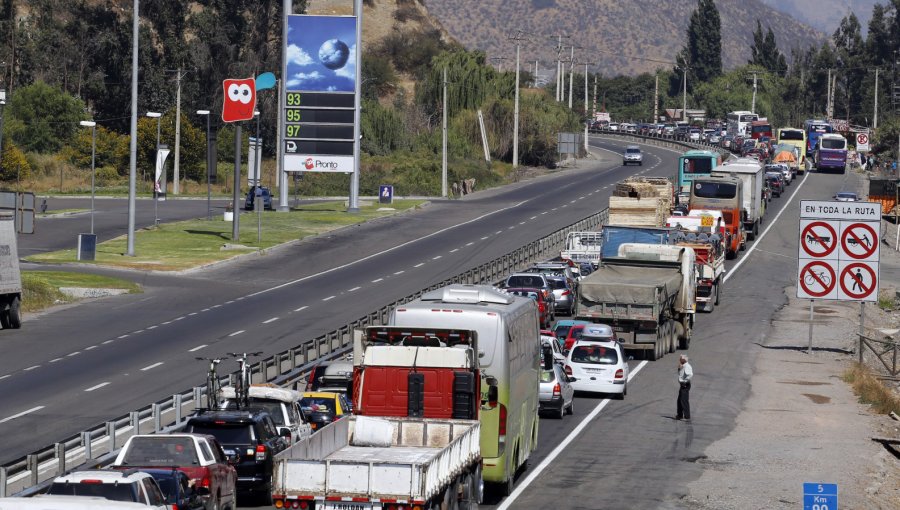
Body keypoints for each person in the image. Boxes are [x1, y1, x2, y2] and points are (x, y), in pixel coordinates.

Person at [676, 355, 693, 421]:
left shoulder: (687, 366)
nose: (679, 360)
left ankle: (687, 416)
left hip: (685, 385)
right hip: (682, 385)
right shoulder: (683, 366)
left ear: (684, 360)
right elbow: (680, 374)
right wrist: (679, 368)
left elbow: (690, 375)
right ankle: (679, 415)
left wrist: (685, 382)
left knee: (684, 400)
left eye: (680, 359)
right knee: (679, 400)